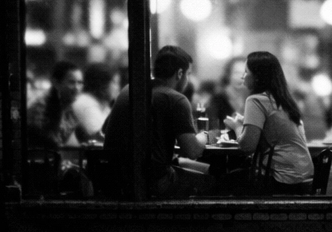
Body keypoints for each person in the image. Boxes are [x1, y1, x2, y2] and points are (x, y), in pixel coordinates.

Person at [104, 45, 214, 199]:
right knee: (212, 183)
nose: (188, 80)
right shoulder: (176, 99)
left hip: (114, 177)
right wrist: (205, 136)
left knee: (202, 168)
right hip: (151, 181)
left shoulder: (129, 90)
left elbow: (107, 130)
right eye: (188, 74)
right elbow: (193, 151)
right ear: (179, 73)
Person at [222, 51, 315, 195]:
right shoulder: (285, 101)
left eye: (246, 72)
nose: (242, 76)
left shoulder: (255, 100)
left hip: (282, 180)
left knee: (224, 181)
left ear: (258, 77)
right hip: (304, 177)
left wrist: (236, 126)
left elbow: (247, 146)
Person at [26, 61, 81, 148]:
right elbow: (48, 143)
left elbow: (71, 142)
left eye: (80, 83)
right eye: (71, 82)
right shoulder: (41, 106)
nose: (77, 87)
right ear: (56, 83)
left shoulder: (69, 106)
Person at [71, 62, 118, 142]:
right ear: (102, 85)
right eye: (114, 82)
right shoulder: (86, 103)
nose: (117, 87)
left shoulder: (104, 106)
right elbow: (102, 137)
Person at [206, 57, 248, 131]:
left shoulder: (249, 97)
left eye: (244, 73)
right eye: (236, 73)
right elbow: (212, 127)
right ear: (228, 75)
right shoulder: (218, 98)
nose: (241, 77)